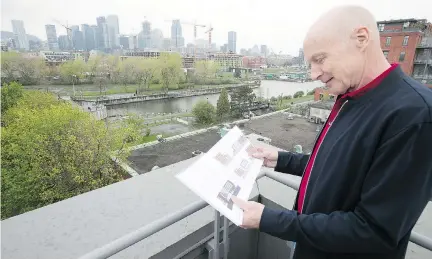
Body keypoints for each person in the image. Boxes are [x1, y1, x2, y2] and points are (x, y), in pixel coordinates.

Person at [232, 5, 432, 259]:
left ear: (361, 39)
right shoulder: (350, 96)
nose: (314, 74)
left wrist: (271, 220)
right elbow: (338, 168)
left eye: (320, 59)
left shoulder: (415, 115)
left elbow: (373, 232)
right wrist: (280, 159)